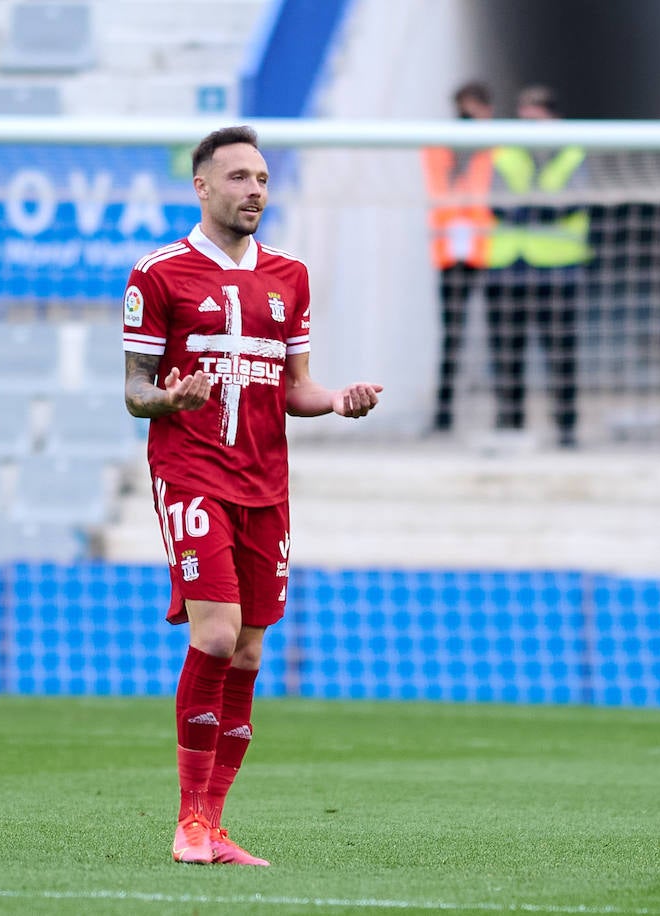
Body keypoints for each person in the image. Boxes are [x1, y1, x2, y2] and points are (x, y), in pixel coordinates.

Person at [121, 125, 382, 867]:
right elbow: (135, 391)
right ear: (201, 187)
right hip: (191, 471)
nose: (254, 190)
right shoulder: (159, 274)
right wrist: (170, 399)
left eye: (262, 178)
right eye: (238, 177)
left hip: (267, 487)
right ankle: (187, 824)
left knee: (248, 651)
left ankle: (214, 823)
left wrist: (338, 400)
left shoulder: (289, 277)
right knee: (213, 634)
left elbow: (295, 388)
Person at [482, 84, 592, 448]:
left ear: (553, 118)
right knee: (507, 353)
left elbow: (576, 200)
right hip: (508, 267)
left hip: (557, 267)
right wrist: (534, 210)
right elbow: (494, 200)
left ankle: (566, 427)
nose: (528, 126)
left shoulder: (574, 154)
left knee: (561, 352)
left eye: (536, 118)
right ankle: (511, 425)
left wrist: (533, 210)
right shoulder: (505, 152)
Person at [423, 80, 495, 435]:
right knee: (452, 338)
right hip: (450, 253)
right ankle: (443, 415)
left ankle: (506, 417)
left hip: (488, 252)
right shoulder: (441, 148)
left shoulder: (495, 148)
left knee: (500, 336)